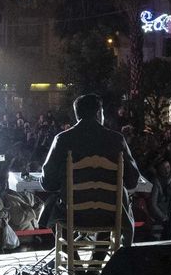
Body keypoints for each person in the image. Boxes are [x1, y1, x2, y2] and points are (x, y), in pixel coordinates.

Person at [42, 94, 143, 244]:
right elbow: (132, 180)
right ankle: (99, 259)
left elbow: (47, 182)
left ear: (77, 115)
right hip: (111, 214)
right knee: (119, 200)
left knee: (49, 207)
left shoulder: (62, 139)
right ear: (98, 113)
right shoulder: (116, 140)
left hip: (73, 214)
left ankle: (72, 260)